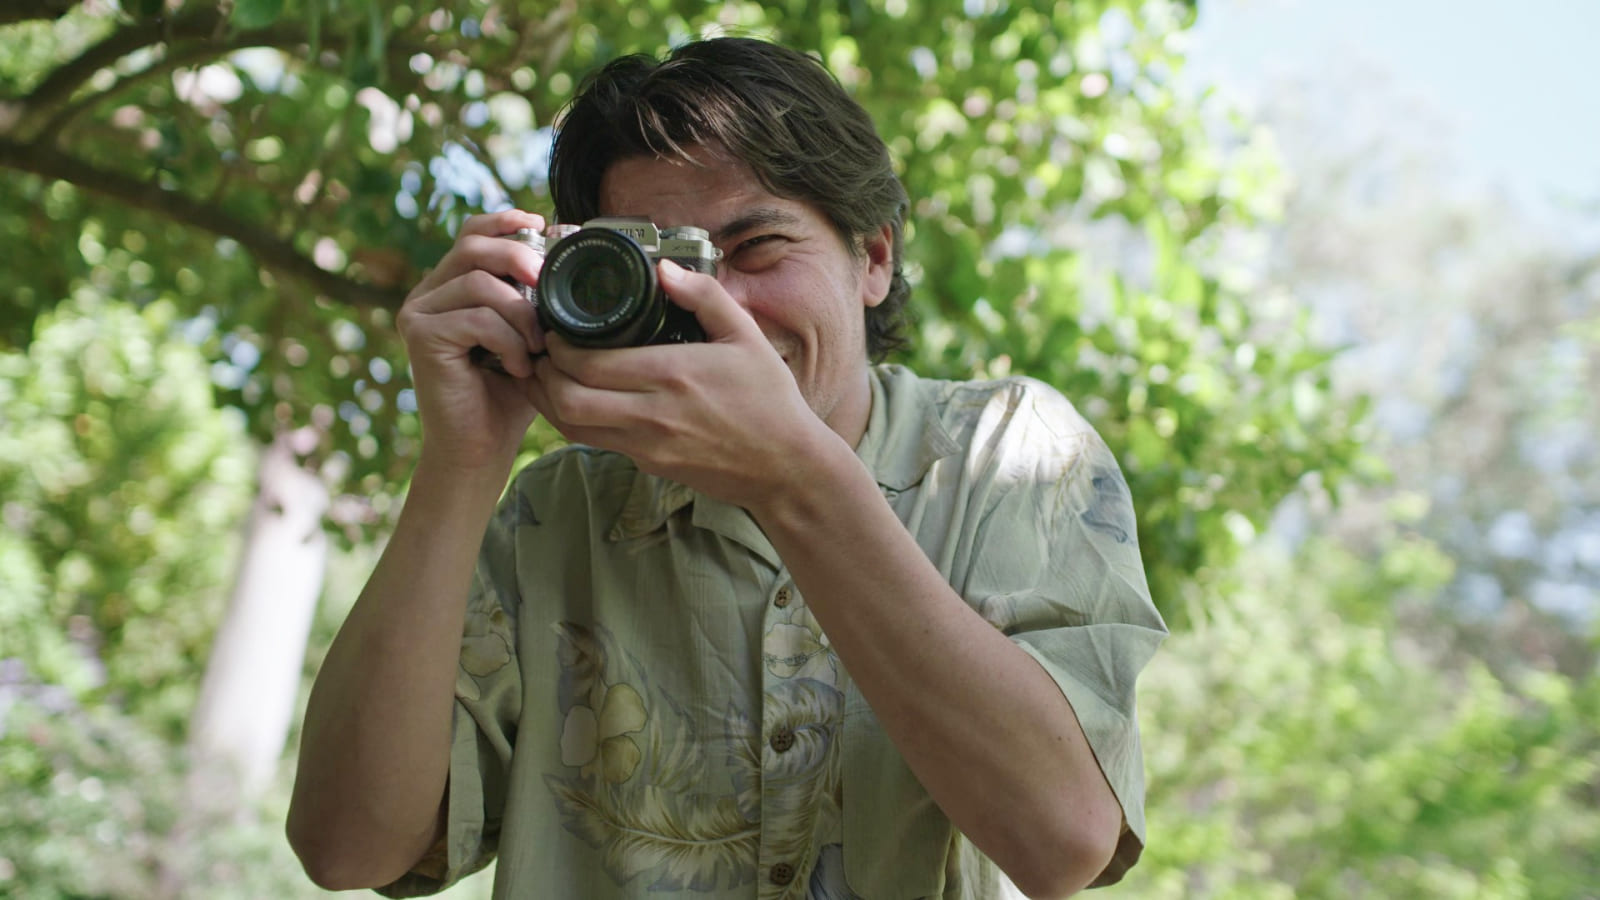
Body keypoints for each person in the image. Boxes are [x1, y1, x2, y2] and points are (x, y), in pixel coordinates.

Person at [287, 36, 1166, 900]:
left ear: (873, 256)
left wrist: (795, 479)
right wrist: (462, 462)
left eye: (755, 250)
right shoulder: (557, 514)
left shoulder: (1006, 454)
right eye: (663, 265)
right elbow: (347, 849)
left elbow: (1063, 841)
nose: (717, 307)